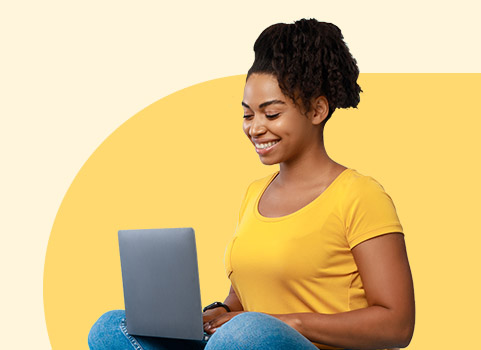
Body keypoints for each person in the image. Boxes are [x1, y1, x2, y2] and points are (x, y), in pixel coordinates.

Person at [88, 18, 415, 350]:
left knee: (246, 335)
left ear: (317, 110)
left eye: (271, 114)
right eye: (248, 115)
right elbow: (245, 295)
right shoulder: (255, 194)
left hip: (293, 343)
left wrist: (286, 322)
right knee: (112, 328)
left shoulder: (360, 195)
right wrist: (219, 312)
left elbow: (397, 325)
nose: (255, 128)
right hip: (243, 341)